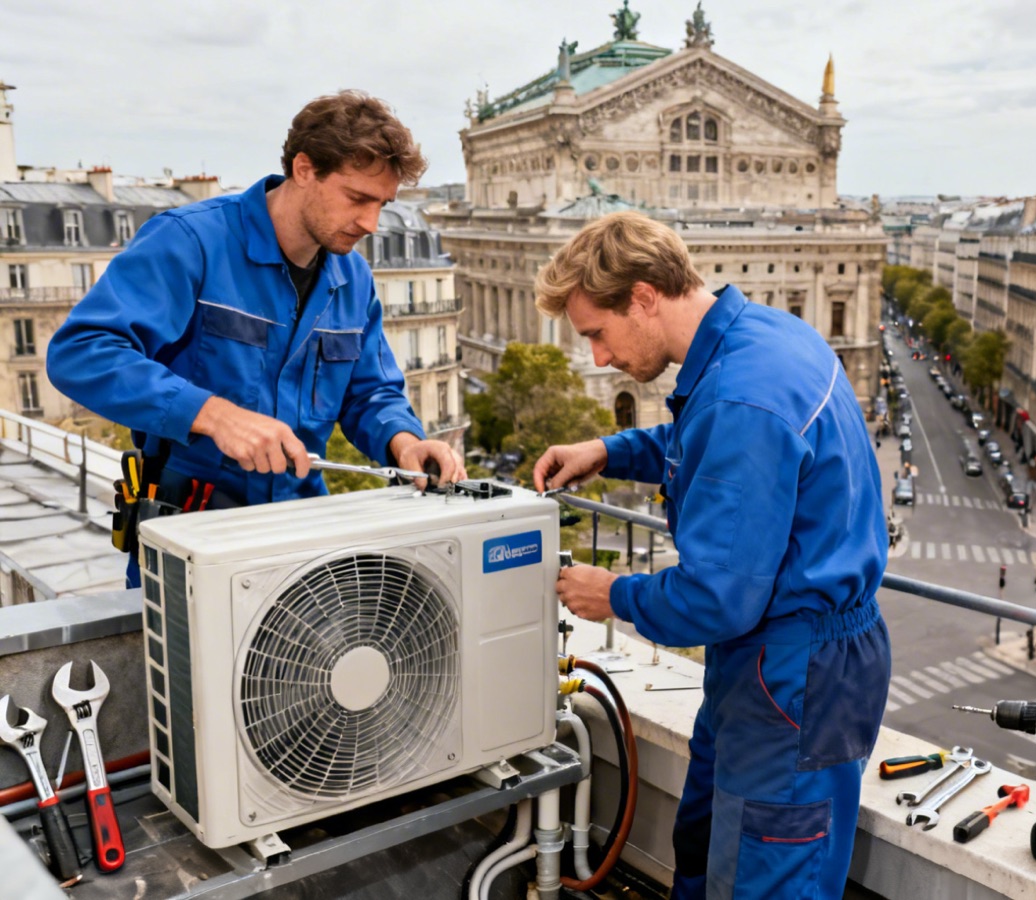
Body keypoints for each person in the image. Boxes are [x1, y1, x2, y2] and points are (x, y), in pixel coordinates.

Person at [530, 211, 890, 898]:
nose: (599, 358)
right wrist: (609, 450)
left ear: (642, 296)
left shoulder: (741, 395)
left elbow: (715, 598)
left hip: (791, 670)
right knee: (703, 845)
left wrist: (611, 594)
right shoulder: (762, 338)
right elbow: (707, 445)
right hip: (775, 659)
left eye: (597, 335)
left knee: (764, 877)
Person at [47, 91, 464, 585]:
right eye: (357, 198)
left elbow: (370, 391)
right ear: (304, 168)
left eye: (383, 204)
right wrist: (212, 414)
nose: (371, 224)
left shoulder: (353, 279)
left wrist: (404, 441)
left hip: (303, 542)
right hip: (192, 541)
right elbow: (81, 351)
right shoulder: (190, 242)